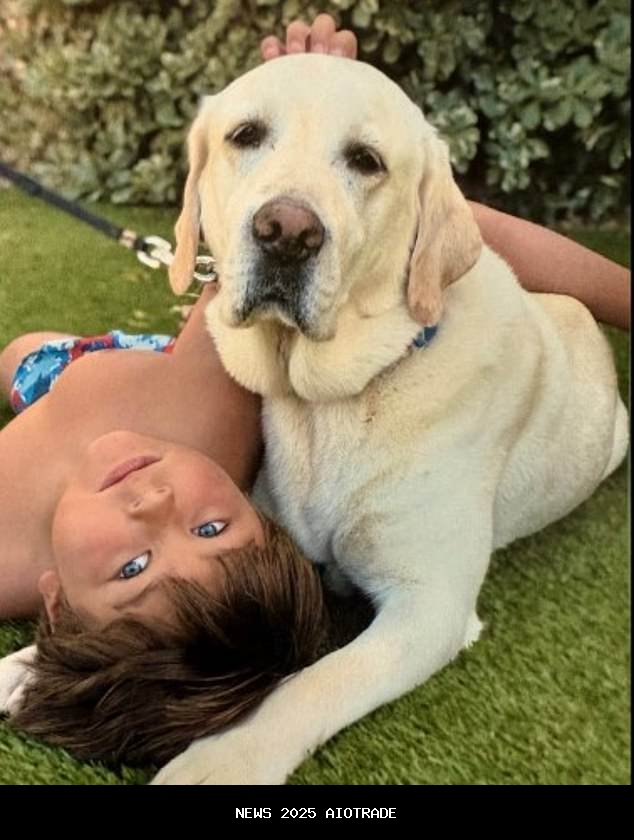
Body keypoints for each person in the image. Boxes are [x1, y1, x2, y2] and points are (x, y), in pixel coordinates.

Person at [0, 14, 629, 767]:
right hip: (232, 364)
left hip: (520, 368)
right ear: (200, 190)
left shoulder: (468, 349)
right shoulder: (216, 403)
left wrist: (264, 742)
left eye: (363, 160)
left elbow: (434, 617)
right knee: (58, 365)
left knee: (37, 361)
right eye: (247, 138)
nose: (288, 222)